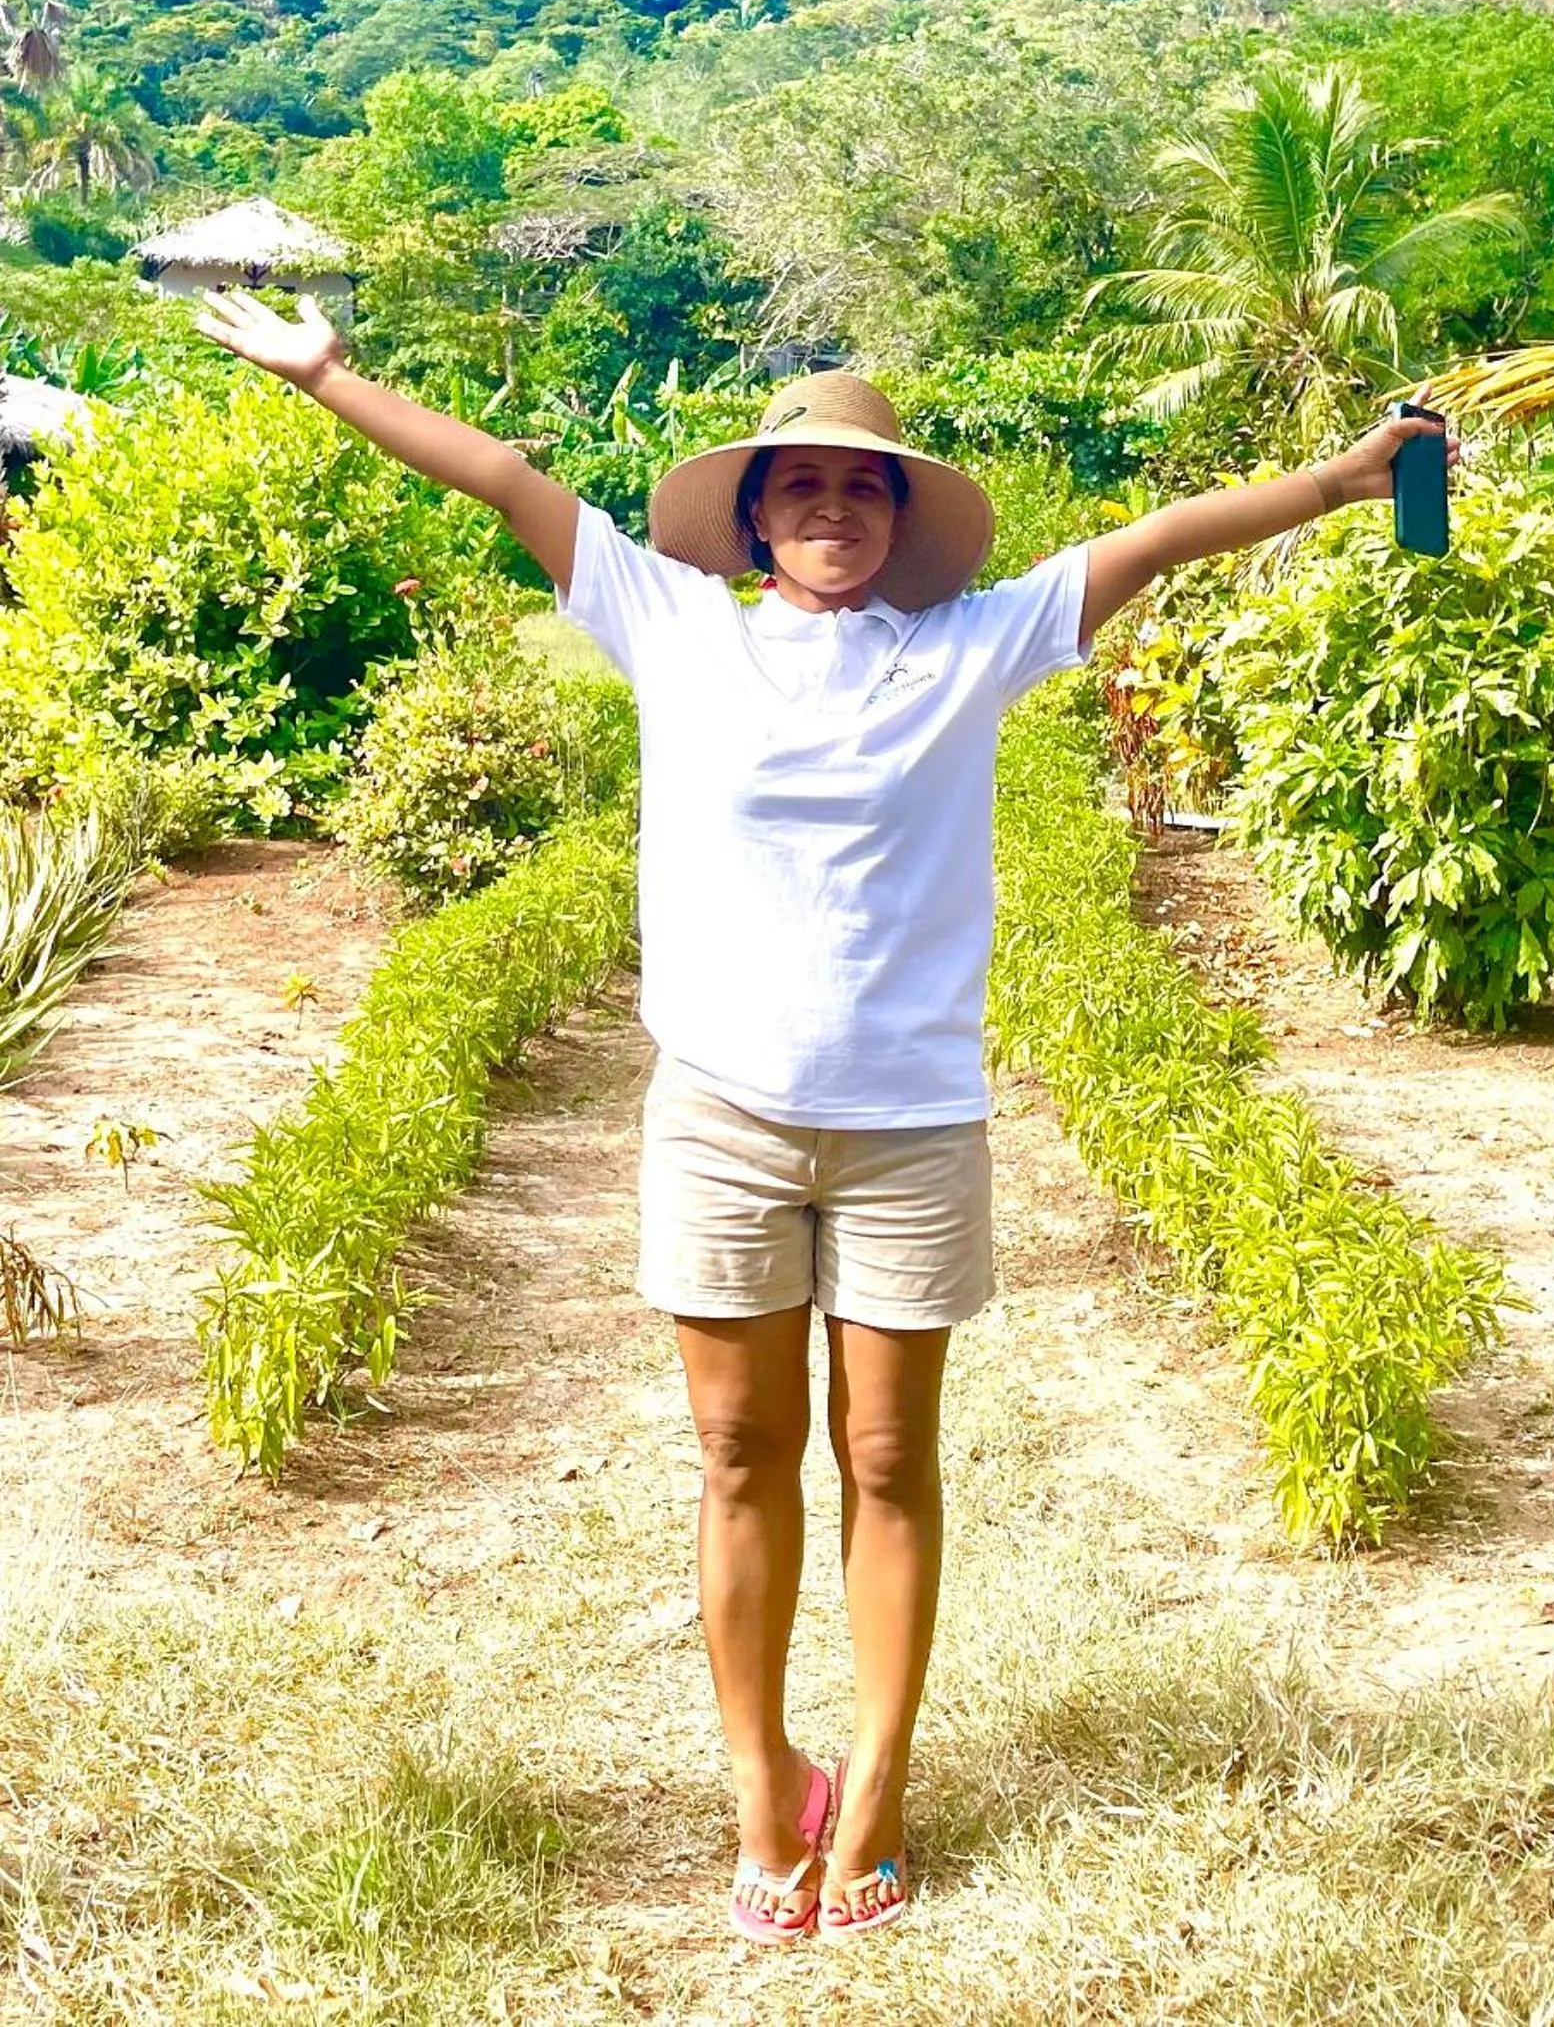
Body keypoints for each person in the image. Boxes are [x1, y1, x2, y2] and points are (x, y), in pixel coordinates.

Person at [194, 289, 1447, 1944]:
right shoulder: (672, 622)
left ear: (902, 518)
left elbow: (1159, 537)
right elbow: (499, 474)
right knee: (736, 1454)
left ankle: (875, 1784)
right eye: (804, 487)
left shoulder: (968, 646)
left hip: (912, 1120)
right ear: (758, 514)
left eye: (867, 488)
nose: (836, 511)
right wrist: (332, 378)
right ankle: (753, 1781)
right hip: (720, 1111)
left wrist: (1345, 483)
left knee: (887, 1458)